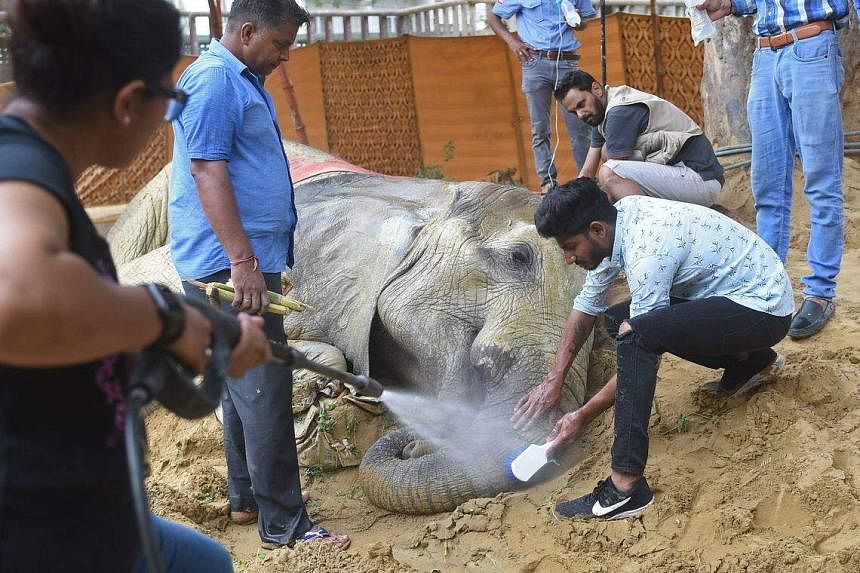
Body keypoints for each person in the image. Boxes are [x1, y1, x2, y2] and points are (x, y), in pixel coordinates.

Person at [0, 1, 274, 571]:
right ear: (128, 104)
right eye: (169, 102)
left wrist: (185, 337)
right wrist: (166, 318)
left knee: (204, 564)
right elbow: (18, 295)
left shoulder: (39, 171)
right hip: (44, 527)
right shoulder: (17, 167)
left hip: (89, 503)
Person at [169, 0, 349, 551]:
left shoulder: (238, 79)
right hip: (226, 265)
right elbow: (206, 168)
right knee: (265, 385)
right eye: (279, 44)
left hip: (238, 258)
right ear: (247, 31)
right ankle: (286, 526)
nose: (285, 55)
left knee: (238, 380)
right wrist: (244, 261)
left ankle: (246, 498)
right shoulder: (216, 82)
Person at [512, 179, 794, 519]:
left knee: (636, 333)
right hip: (733, 300)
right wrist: (553, 381)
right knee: (617, 319)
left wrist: (582, 415)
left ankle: (625, 487)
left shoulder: (649, 248)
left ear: (596, 230)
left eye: (571, 247)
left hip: (764, 310)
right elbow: (585, 308)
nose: (570, 258)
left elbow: (643, 339)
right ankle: (750, 361)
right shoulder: (619, 220)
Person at [701, 0, 856, 339]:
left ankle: (819, 292)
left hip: (812, 46)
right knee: (767, 183)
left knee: (821, 180)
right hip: (765, 55)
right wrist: (728, 5)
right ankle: (766, 283)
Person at [554, 70, 724, 207]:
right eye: (573, 112)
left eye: (581, 105)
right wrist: (567, 200)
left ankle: (652, 225)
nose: (580, 115)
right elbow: (587, 174)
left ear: (596, 90)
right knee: (607, 155)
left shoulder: (618, 112)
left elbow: (613, 175)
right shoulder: (600, 113)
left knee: (610, 173)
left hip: (701, 181)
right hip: (685, 176)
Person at [488, 0, 596, 194]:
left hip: (567, 60)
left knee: (580, 126)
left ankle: (587, 180)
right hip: (535, 62)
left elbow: (584, 22)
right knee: (540, 128)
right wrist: (513, 43)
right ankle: (548, 182)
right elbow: (493, 17)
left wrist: (577, 21)